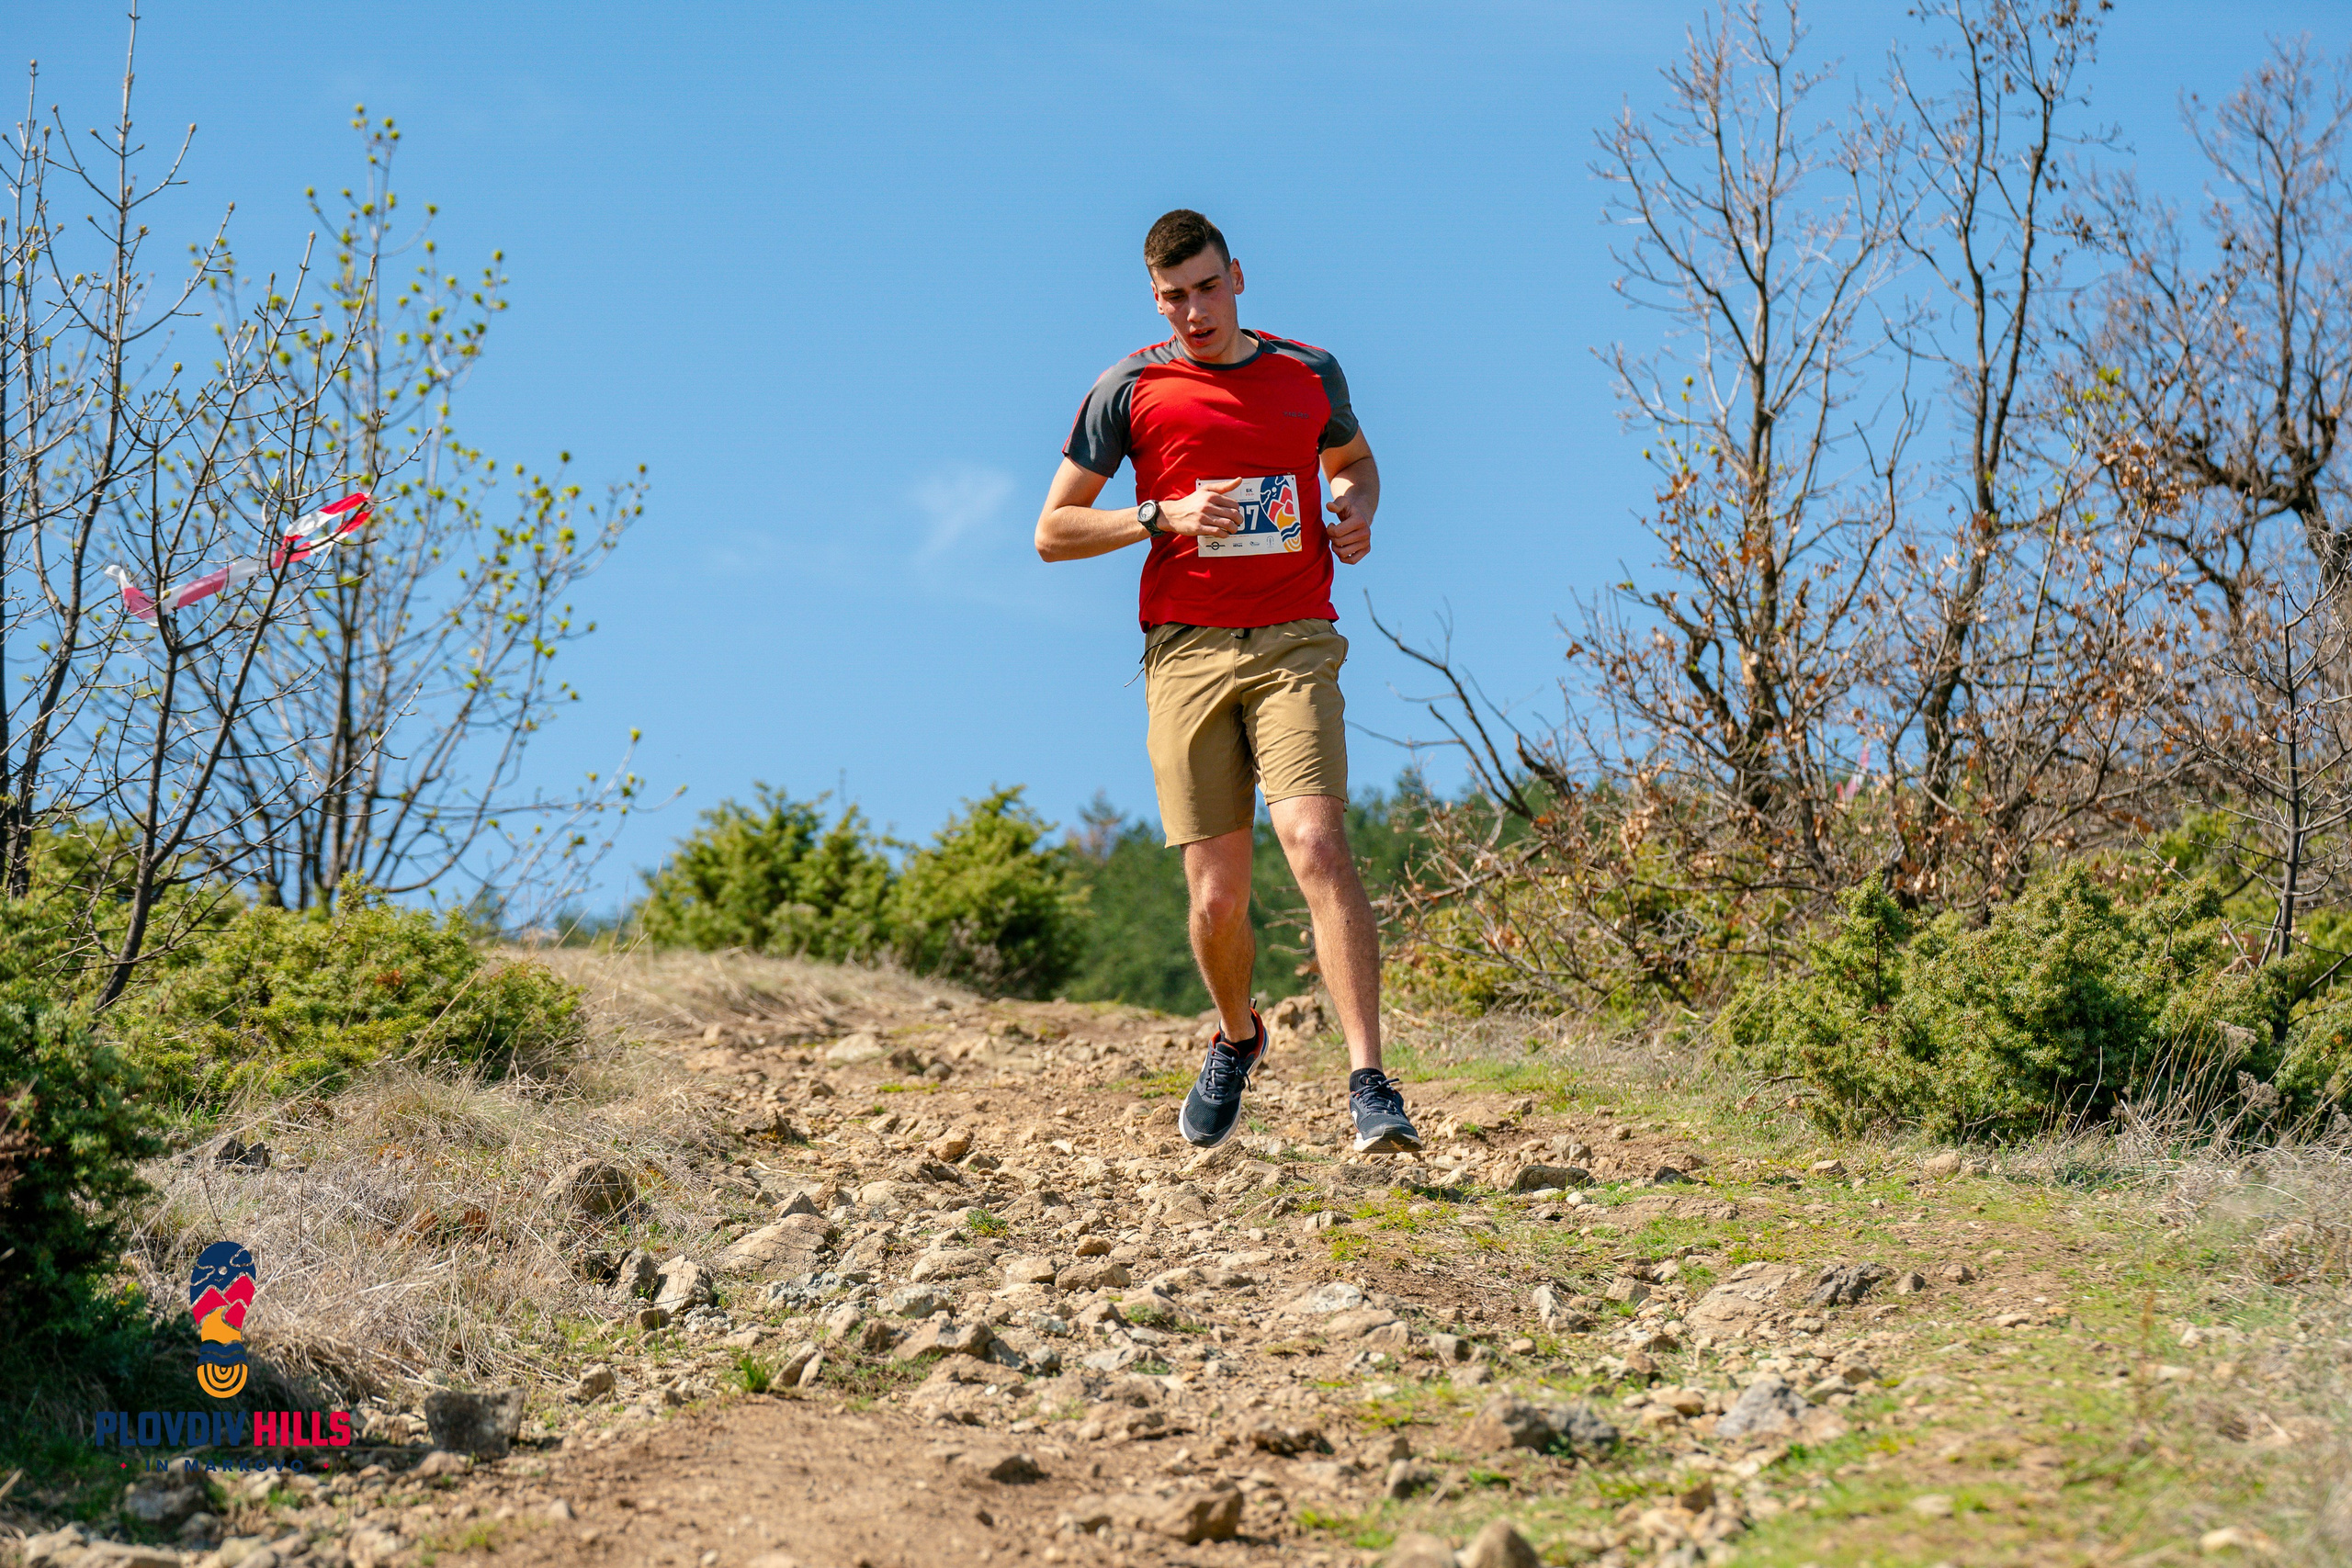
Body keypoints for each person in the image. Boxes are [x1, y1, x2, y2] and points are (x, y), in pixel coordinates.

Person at [1033, 209, 1420, 1156]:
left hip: (1295, 638)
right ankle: (1237, 1036)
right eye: (1174, 297)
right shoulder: (1128, 388)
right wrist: (1159, 513)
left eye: (1207, 288)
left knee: (1318, 845)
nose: (1193, 311)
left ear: (1237, 277)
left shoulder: (1307, 372)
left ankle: (1370, 1084)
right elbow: (1052, 532)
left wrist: (1355, 510)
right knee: (1216, 901)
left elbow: (1355, 463)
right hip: (1187, 653)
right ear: (1153, 297)